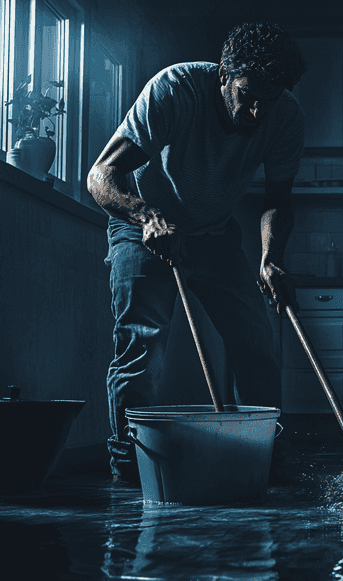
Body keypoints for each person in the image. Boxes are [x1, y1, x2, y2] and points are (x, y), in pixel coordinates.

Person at [87, 21, 305, 486]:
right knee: (142, 347)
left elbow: (277, 199)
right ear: (223, 76)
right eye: (247, 94)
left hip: (214, 235)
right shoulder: (176, 89)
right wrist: (145, 215)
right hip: (142, 227)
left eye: (268, 98)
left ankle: (263, 454)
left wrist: (270, 256)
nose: (255, 110)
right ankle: (129, 466)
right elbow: (101, 175)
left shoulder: (283, 115)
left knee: (257, 345)